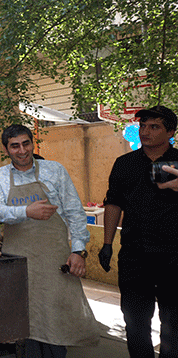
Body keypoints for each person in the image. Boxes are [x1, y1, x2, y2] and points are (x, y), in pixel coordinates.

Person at [0, 124, 99, 357]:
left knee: (55, 316)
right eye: (14, 146)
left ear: (32, 143)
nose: (22, 151)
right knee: (25, 319)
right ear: (6, 149)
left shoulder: (54, 170)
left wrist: (78, 251)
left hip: (53, 260)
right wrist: (26, 211)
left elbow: (74, 212)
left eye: (26, 143)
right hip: (19, 260)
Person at [99, 105, 178, 358]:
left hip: (173, 256)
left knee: (173, 325)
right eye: (143, 125)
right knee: (135, 323)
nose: (145, 131)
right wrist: (107, 243)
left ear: (171, 132)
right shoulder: (124, 164)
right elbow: (113, 203)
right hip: (135, 255)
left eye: (154, 126)